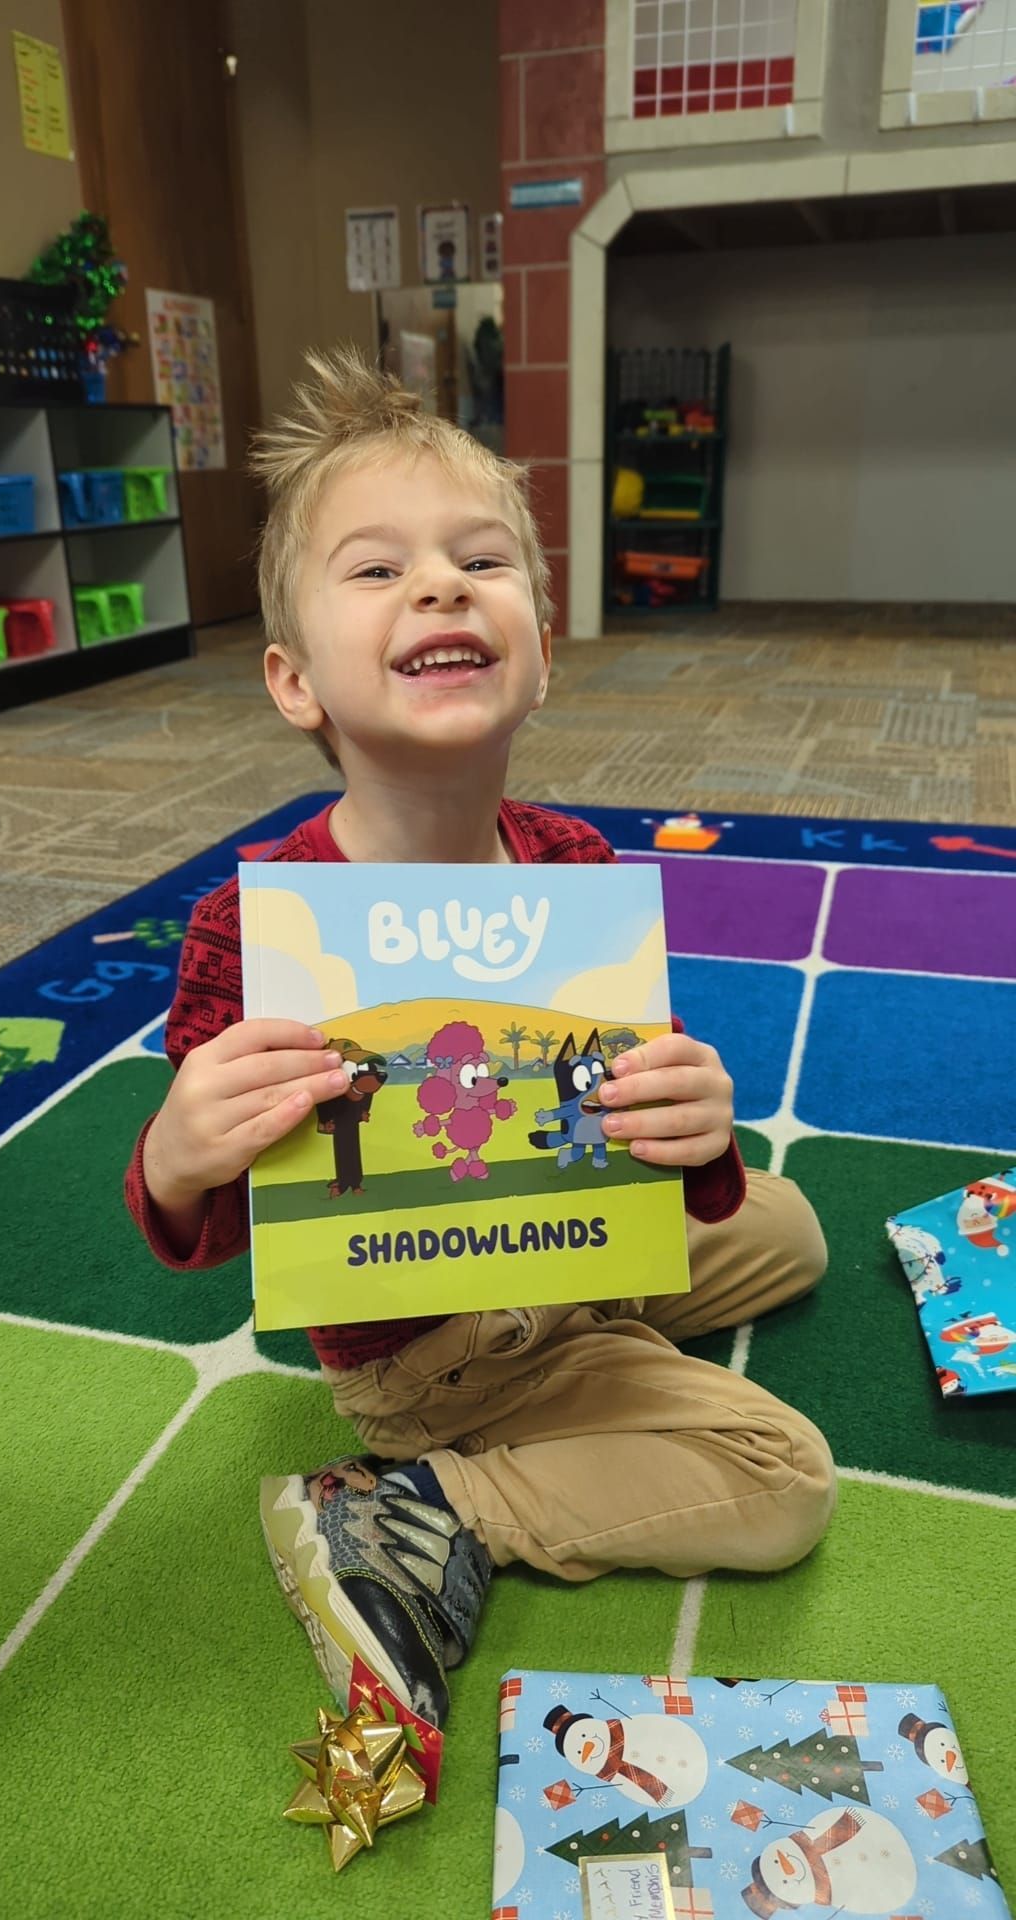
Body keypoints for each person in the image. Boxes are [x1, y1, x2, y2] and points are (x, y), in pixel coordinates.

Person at [125, 348, 836, 1731]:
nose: (441, 586)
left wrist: (692, 1127)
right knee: (781, 1480)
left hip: (571, 1263)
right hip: (430, 1355)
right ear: (294, 682)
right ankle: (420, 1505)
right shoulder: (253, 925)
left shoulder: (572, 867)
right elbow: (209, 1229)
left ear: (543, 658)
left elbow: (661, 1153)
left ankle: (595, 1352)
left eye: (480, 561)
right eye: (378, 572)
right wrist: (174, 1156)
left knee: (789, 1229)